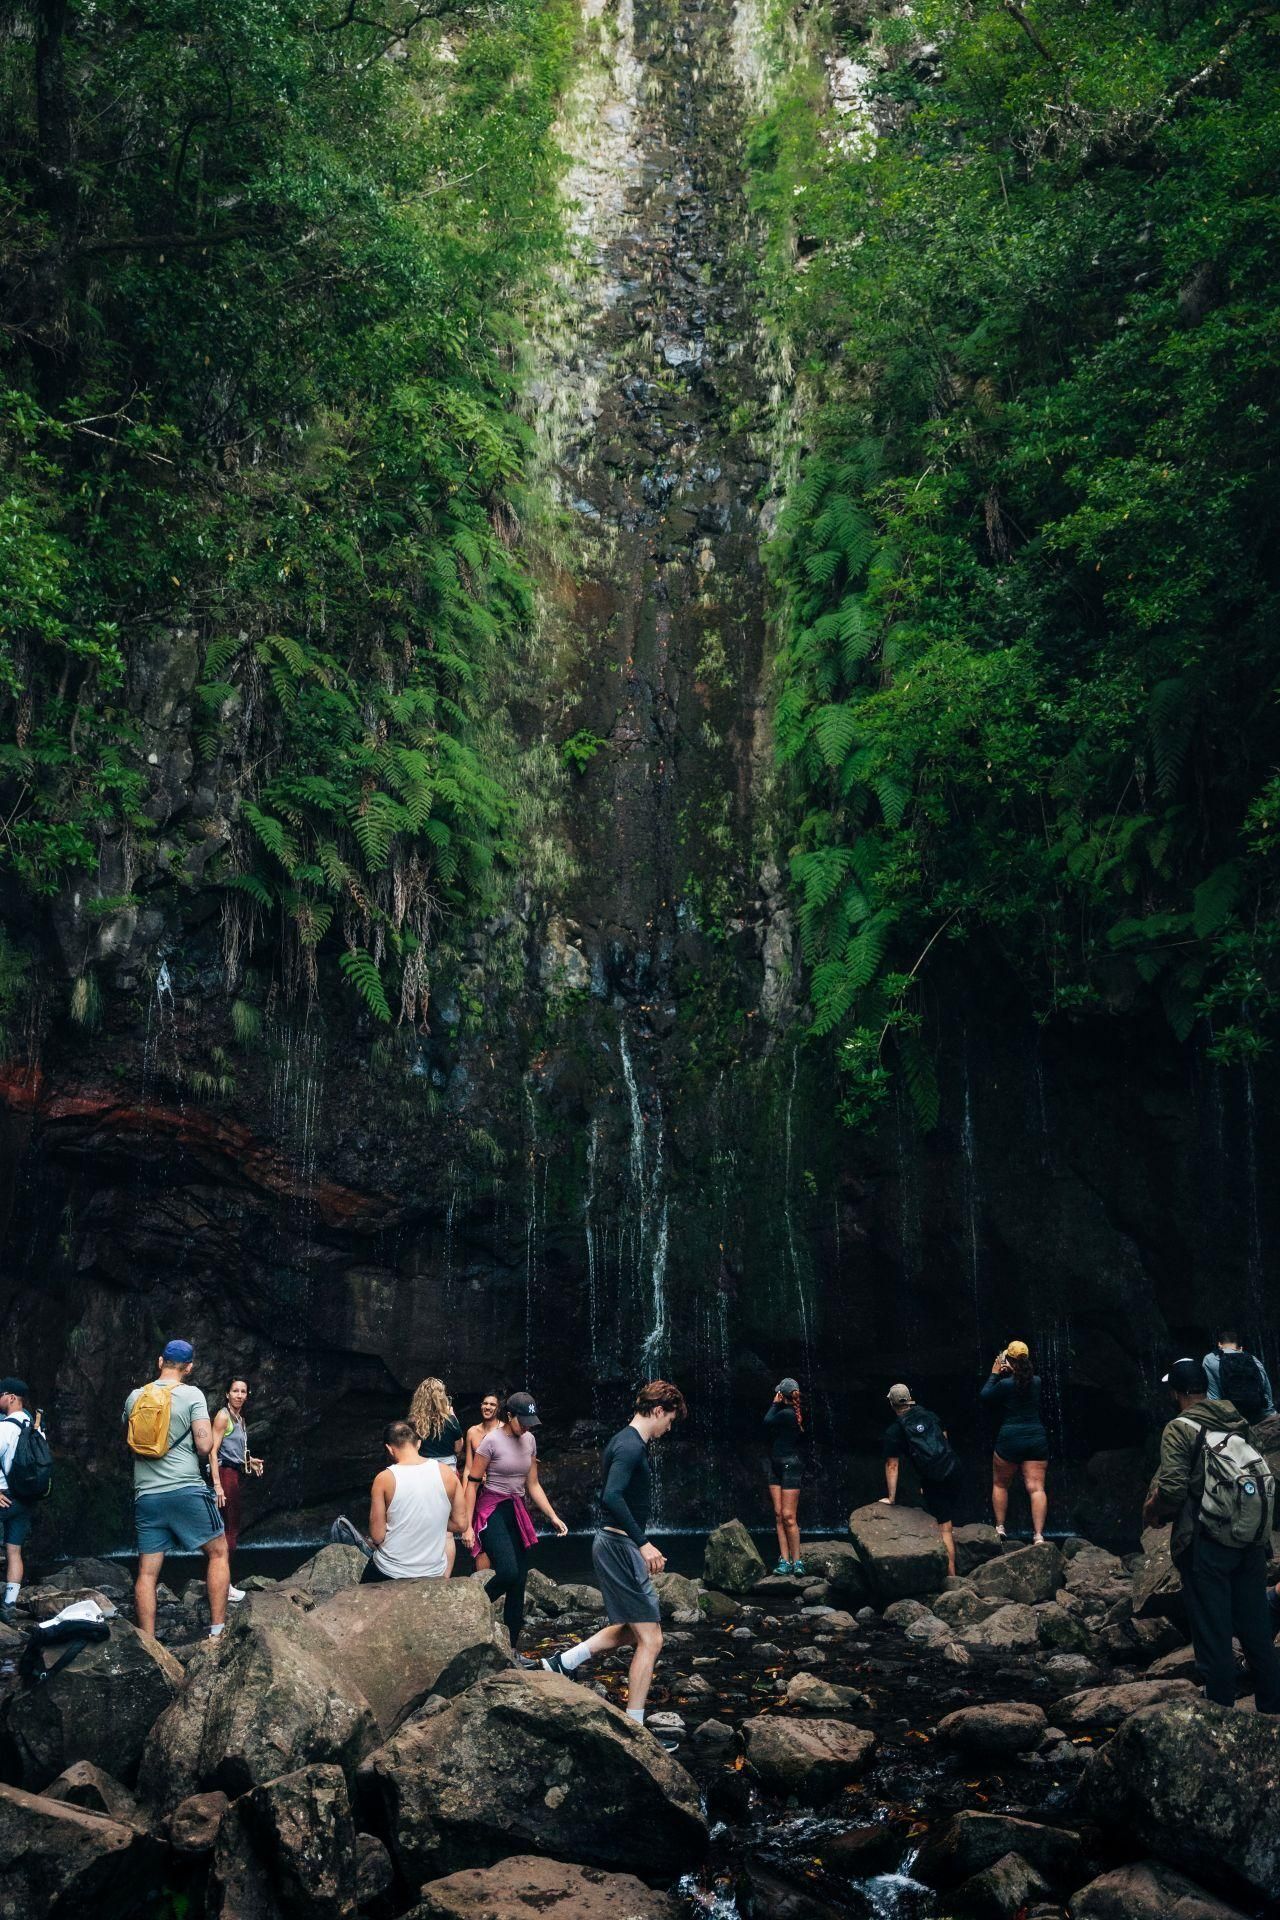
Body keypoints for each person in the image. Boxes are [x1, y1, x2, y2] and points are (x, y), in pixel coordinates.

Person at [540, 1381, 687, 1731]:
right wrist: (643, 1543)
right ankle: (634, 1725)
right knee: (652, 1639)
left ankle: (562, 1663)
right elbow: (612, 1496)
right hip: (619, 1546)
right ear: (657, 1410)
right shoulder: (630, 1447)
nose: (670, 1427)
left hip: (615, 1545)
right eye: (670, 1418)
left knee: (632, 1629)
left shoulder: (627, 1441)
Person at [1143, 1356, 1280, 1712]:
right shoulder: (1236, 1421)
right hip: (1250, 1540)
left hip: (1207, 1542)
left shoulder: (1180, 1428)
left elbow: (1172, 1489)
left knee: (1213, 1629)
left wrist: (1154, 1512)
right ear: (1205, 1388)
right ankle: (1272, 1709)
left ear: (1175, 1393)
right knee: (1256, 1628)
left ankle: (1220, 1710)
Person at [123, 1340, 229, 1638]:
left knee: (146, 1571)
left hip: (146, 1494)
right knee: (219, 1552)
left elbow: (130, 1439)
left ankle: (148, 1640)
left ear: (160, 1362)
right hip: (185, 1490)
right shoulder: (192, 1394)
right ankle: (217, 1633)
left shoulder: (135, 1397)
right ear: (190, 1367)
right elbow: (205, 1445)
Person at [465, 1390, 567, 1660]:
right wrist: (465, 1524)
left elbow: (532, 1484)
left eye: (530, 1421)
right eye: (523, 1421)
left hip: (516, 1509)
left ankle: (511, 1648)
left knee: (518, 1582)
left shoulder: (530, 1440)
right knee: (508, 1572)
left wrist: (553, 1516)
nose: (527, 1426)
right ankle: (470, 1611)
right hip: (492, 1509)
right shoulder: (490, 1442)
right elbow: (473, 1482)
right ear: (508, 1416)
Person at [363, 1420, 469, 1582]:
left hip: (391, 1570)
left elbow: (377, 1536)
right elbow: (462, 1524)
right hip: (433, 1572)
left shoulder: (384, 1479)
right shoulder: (447, 1473)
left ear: (389, 1449)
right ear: (418, 1444)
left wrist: (409, 1522)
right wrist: (431, 1520)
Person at [880, 1382, 963, 1577]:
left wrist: (891, 1498)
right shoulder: (928, 1414)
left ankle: (952, 1578)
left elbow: (892, 1465)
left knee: (945, 1528)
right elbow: (944, 1438)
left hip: (935, 1478)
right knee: (945, 1514)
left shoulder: (895, 1431)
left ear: (891, 1404)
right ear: (910, 1400)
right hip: (954, 1468)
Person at [981, 1340, 1050, 1544]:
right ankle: (1038, 1535)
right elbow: (1023, 1380)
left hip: (1010, 1439)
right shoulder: (1036, 1381)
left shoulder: (1004, 1384)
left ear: (1008, 1359)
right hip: (1036, 1438)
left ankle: (1000, 1527)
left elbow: (984, 1396)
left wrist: (995, 1372)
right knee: (1036, 1487)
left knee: (1001, 1484)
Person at [210, 1376, 263, 1602]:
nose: (239, 1395)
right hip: (224, 1476)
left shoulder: (239, 1419)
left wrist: (249, 1463)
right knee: (228, 1531)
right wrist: (217, 1486)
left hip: (234, 1474)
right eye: (235, 1391)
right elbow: (213, 1453)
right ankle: (224, 1586)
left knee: (231, 1529)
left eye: (243, 1391)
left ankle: (224, 1582)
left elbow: (235, 1454)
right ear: (227, 1394)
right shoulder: (223, 1416)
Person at [409, 1377, 466, 1573]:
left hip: (421, 1474)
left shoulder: (413, 1423)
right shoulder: (450, 1421)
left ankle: (420, 1571)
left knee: (421, 1525)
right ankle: (445, 1578)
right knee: (447, 1532)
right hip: (447, 1475)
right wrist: (453, 1416)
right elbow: (459, 1448)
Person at [764, 1377, 806, 1575]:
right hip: (775, 1466)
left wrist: (774, 1403)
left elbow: (767, 1421)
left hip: (790, 1466)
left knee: (789, 1516)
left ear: (782, 1395)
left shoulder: (787, 1414)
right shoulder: (789, 1413)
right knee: (779, 1515)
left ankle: (797, 1561)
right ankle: (784, 1560)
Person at [0, 1377, 34, 1609]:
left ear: (11, 1398)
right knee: (14, 1551)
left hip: (4, 1497)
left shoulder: (4, 1428)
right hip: (26, 1499)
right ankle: (10, 1604)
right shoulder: (35, 1428)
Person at [1202, 1326, 1275, 1426]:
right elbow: (1266, 1391)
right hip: (1258, 1417)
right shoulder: (1253, 1359)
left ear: (1219, 1344)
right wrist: (1271, 1414)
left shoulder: (1210, 1359)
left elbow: (1214, 1397)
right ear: (1240, 1348)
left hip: (1231, 1420)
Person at [464, 1390, 503, 1571]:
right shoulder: (472, 1432)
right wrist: (465, 1497)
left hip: (497, 1491)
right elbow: (468, 1468)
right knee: (479, 1541)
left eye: (492, 1404)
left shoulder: (504, 1430)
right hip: (477, 1491)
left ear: (498, 1408)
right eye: (485, 1403)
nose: (488, 1407)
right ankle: (484, 1585)